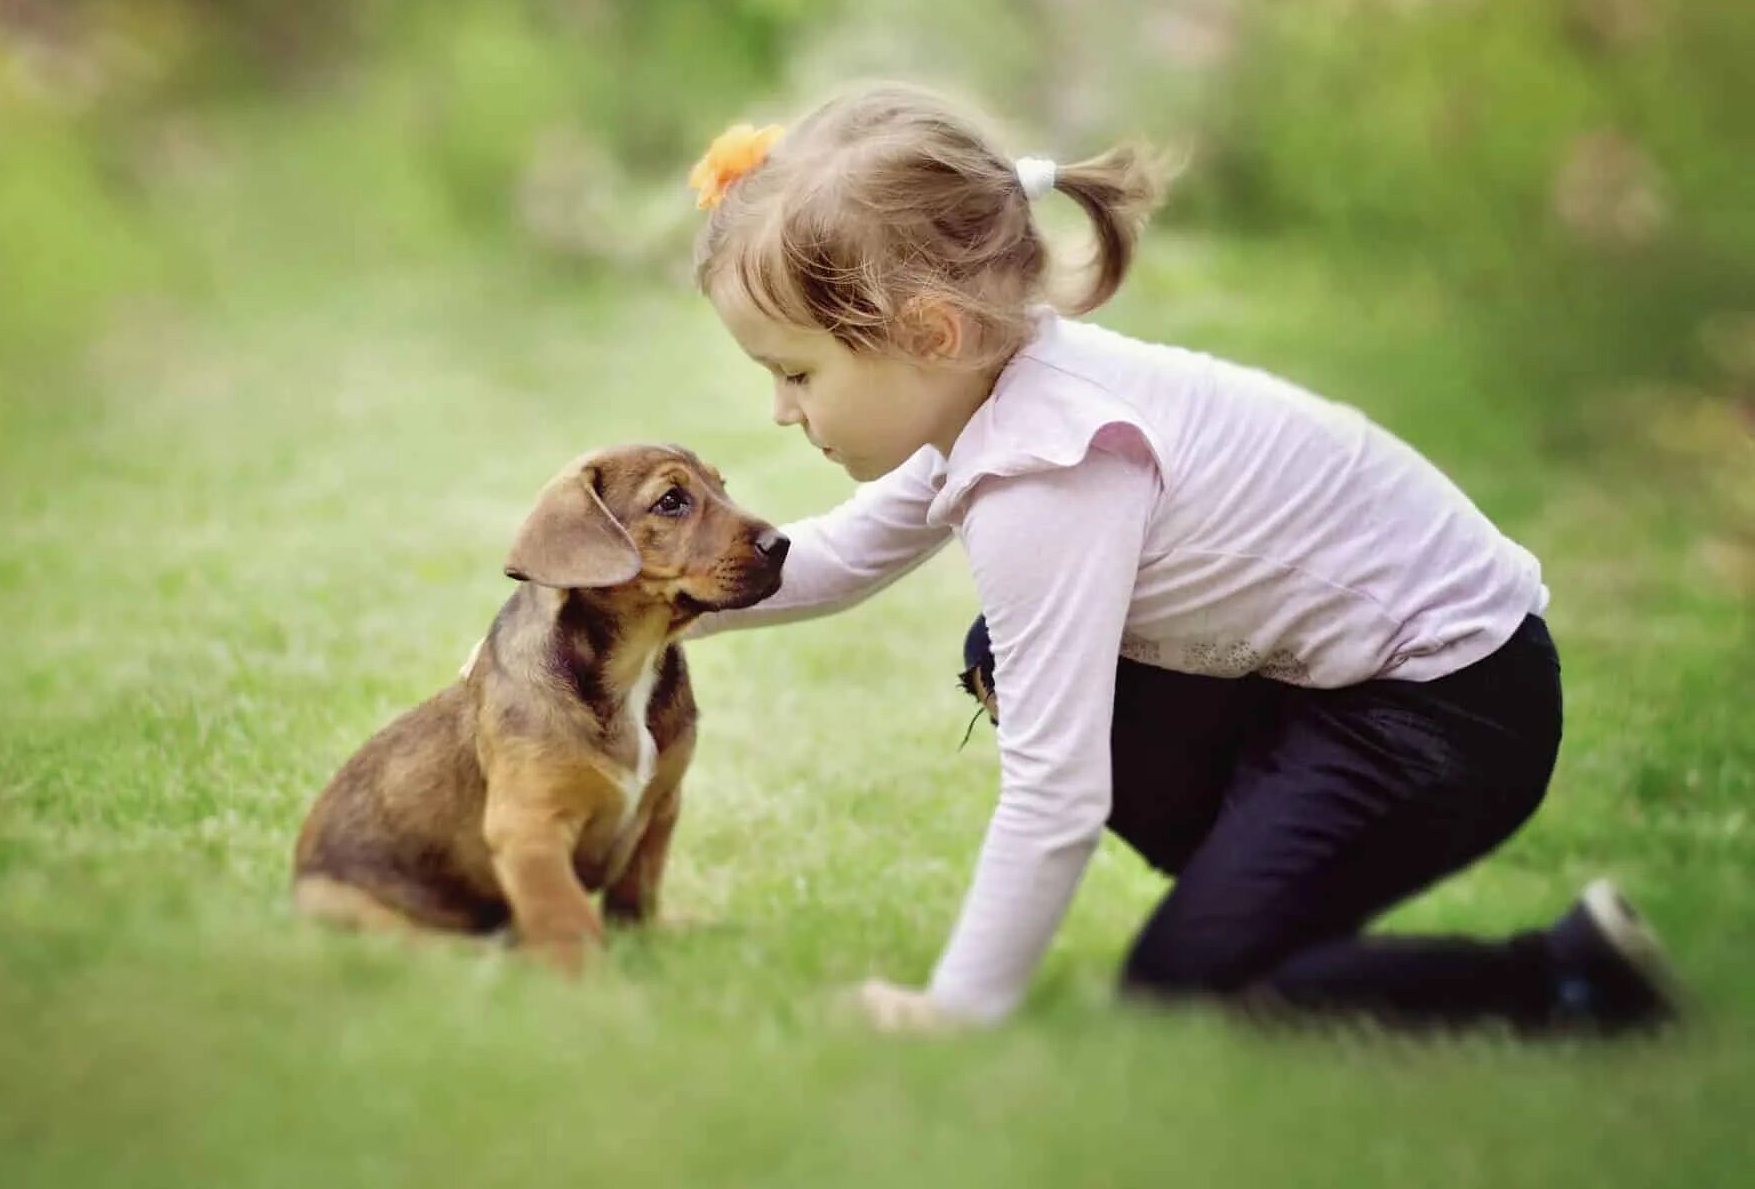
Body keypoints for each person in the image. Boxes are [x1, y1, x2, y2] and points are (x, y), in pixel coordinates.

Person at [681, 83, 1681, 1034]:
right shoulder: (990, 389)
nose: (781, 408)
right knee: (1007, 648)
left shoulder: (1046, 467)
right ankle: (1257, 895)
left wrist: (957, 1004)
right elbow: (844, 553)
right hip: (1347, 687)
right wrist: (639, 598)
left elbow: (1055, 790)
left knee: (1189, 988)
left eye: (794, 371)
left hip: (1445, 703)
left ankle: (1567, 974)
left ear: (928, 332)